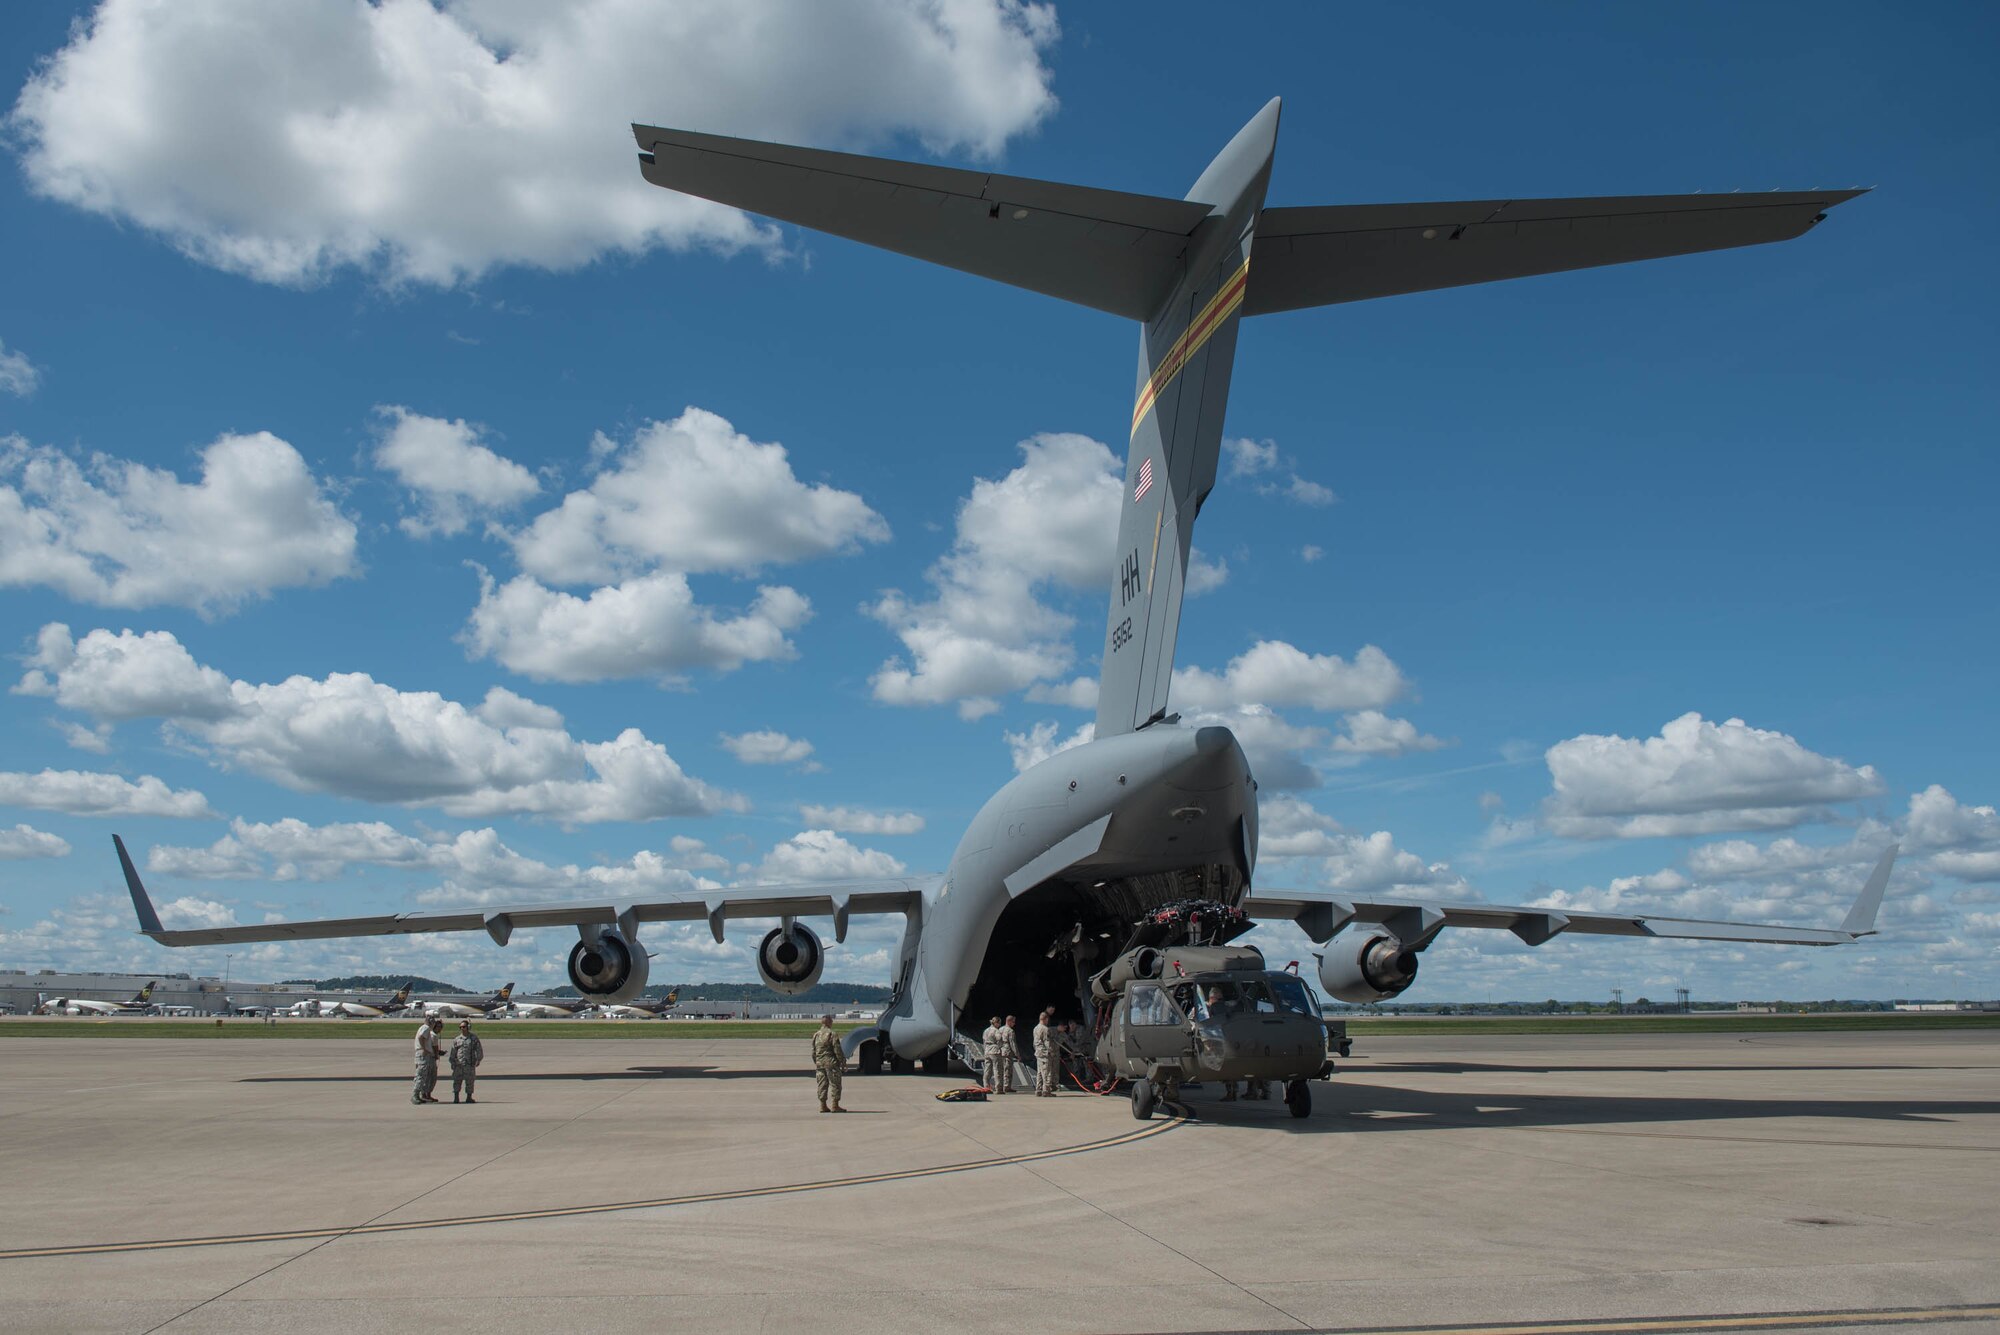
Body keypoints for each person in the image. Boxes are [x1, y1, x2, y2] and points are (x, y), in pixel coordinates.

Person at [811, 1015, 846, 1113]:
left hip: (820, 1063)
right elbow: (837, 1050)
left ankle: (823, 1105)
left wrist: (817, 1061)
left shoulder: (816, 1035)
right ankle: (835, 1105)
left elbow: (813, 1051)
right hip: (831, 1063)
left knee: (822, 1084)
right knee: (835, 1084)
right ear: (829, 1022)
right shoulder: (832, 1034)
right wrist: (842, 1061)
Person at [449, 1019, 484, 1104]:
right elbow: (453, 1051)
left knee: (470, 1081)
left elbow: (479, 1049)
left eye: (464, 1027)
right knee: (457, 1081)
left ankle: (469, 1097)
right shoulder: (457, 1039)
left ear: (468, 1027)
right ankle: (456, 1097)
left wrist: (478, 1059)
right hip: (459, 1065)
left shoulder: (473, 1038)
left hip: (469, 1064)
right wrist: (452, 1062)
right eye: (460, 1027)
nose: (462, 1029)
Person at [411, 1016, 443, 1105]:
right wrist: (424, 1049)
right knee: (421, 1076)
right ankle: (415, 1095)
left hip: (424, 1055)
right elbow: (421, 1038)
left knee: (423, 1076)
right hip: (423, 1055)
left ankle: (419, 1095)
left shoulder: (425, 1028)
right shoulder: (426, 1028)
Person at [1032, 1008, 1058, 1096]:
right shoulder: (1045, 1029)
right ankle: (1046, 1091)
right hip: (1045, 1053)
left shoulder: (1035, 1028)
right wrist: (1052, 1052)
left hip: (1038, 1052)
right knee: (1047, 1072)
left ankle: (1038, 1089)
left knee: (1039, 1072)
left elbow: (1034, 1042)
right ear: (1045, 1019)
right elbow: (1048, 1043)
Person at [980, 1014, 1008, 1093]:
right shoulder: (996, 1031)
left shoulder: (986, 1030)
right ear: (996, 1023)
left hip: (987, 1051)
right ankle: (998, 1088)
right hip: (994, 1051)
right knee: (997, 1070)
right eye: (999, 1023)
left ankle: (986, 1087)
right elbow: (999, 1040)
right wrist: (999, 1047)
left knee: (987, 1070)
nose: (1000, 1025)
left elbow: (984, 1041)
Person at [1002, 1015, 1026, 1092]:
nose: (1014, 1023)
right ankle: (1007, 1086)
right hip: (1008, 1052)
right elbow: (1013, 1044)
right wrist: (1017, 1055)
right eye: (1013, 1022)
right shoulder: (1010, 1031)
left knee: (1001, 1069)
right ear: (1009, 1021)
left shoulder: (1000, 1029)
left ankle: (1000, 1085)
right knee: (1008, 1070)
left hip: (1001, 1052)